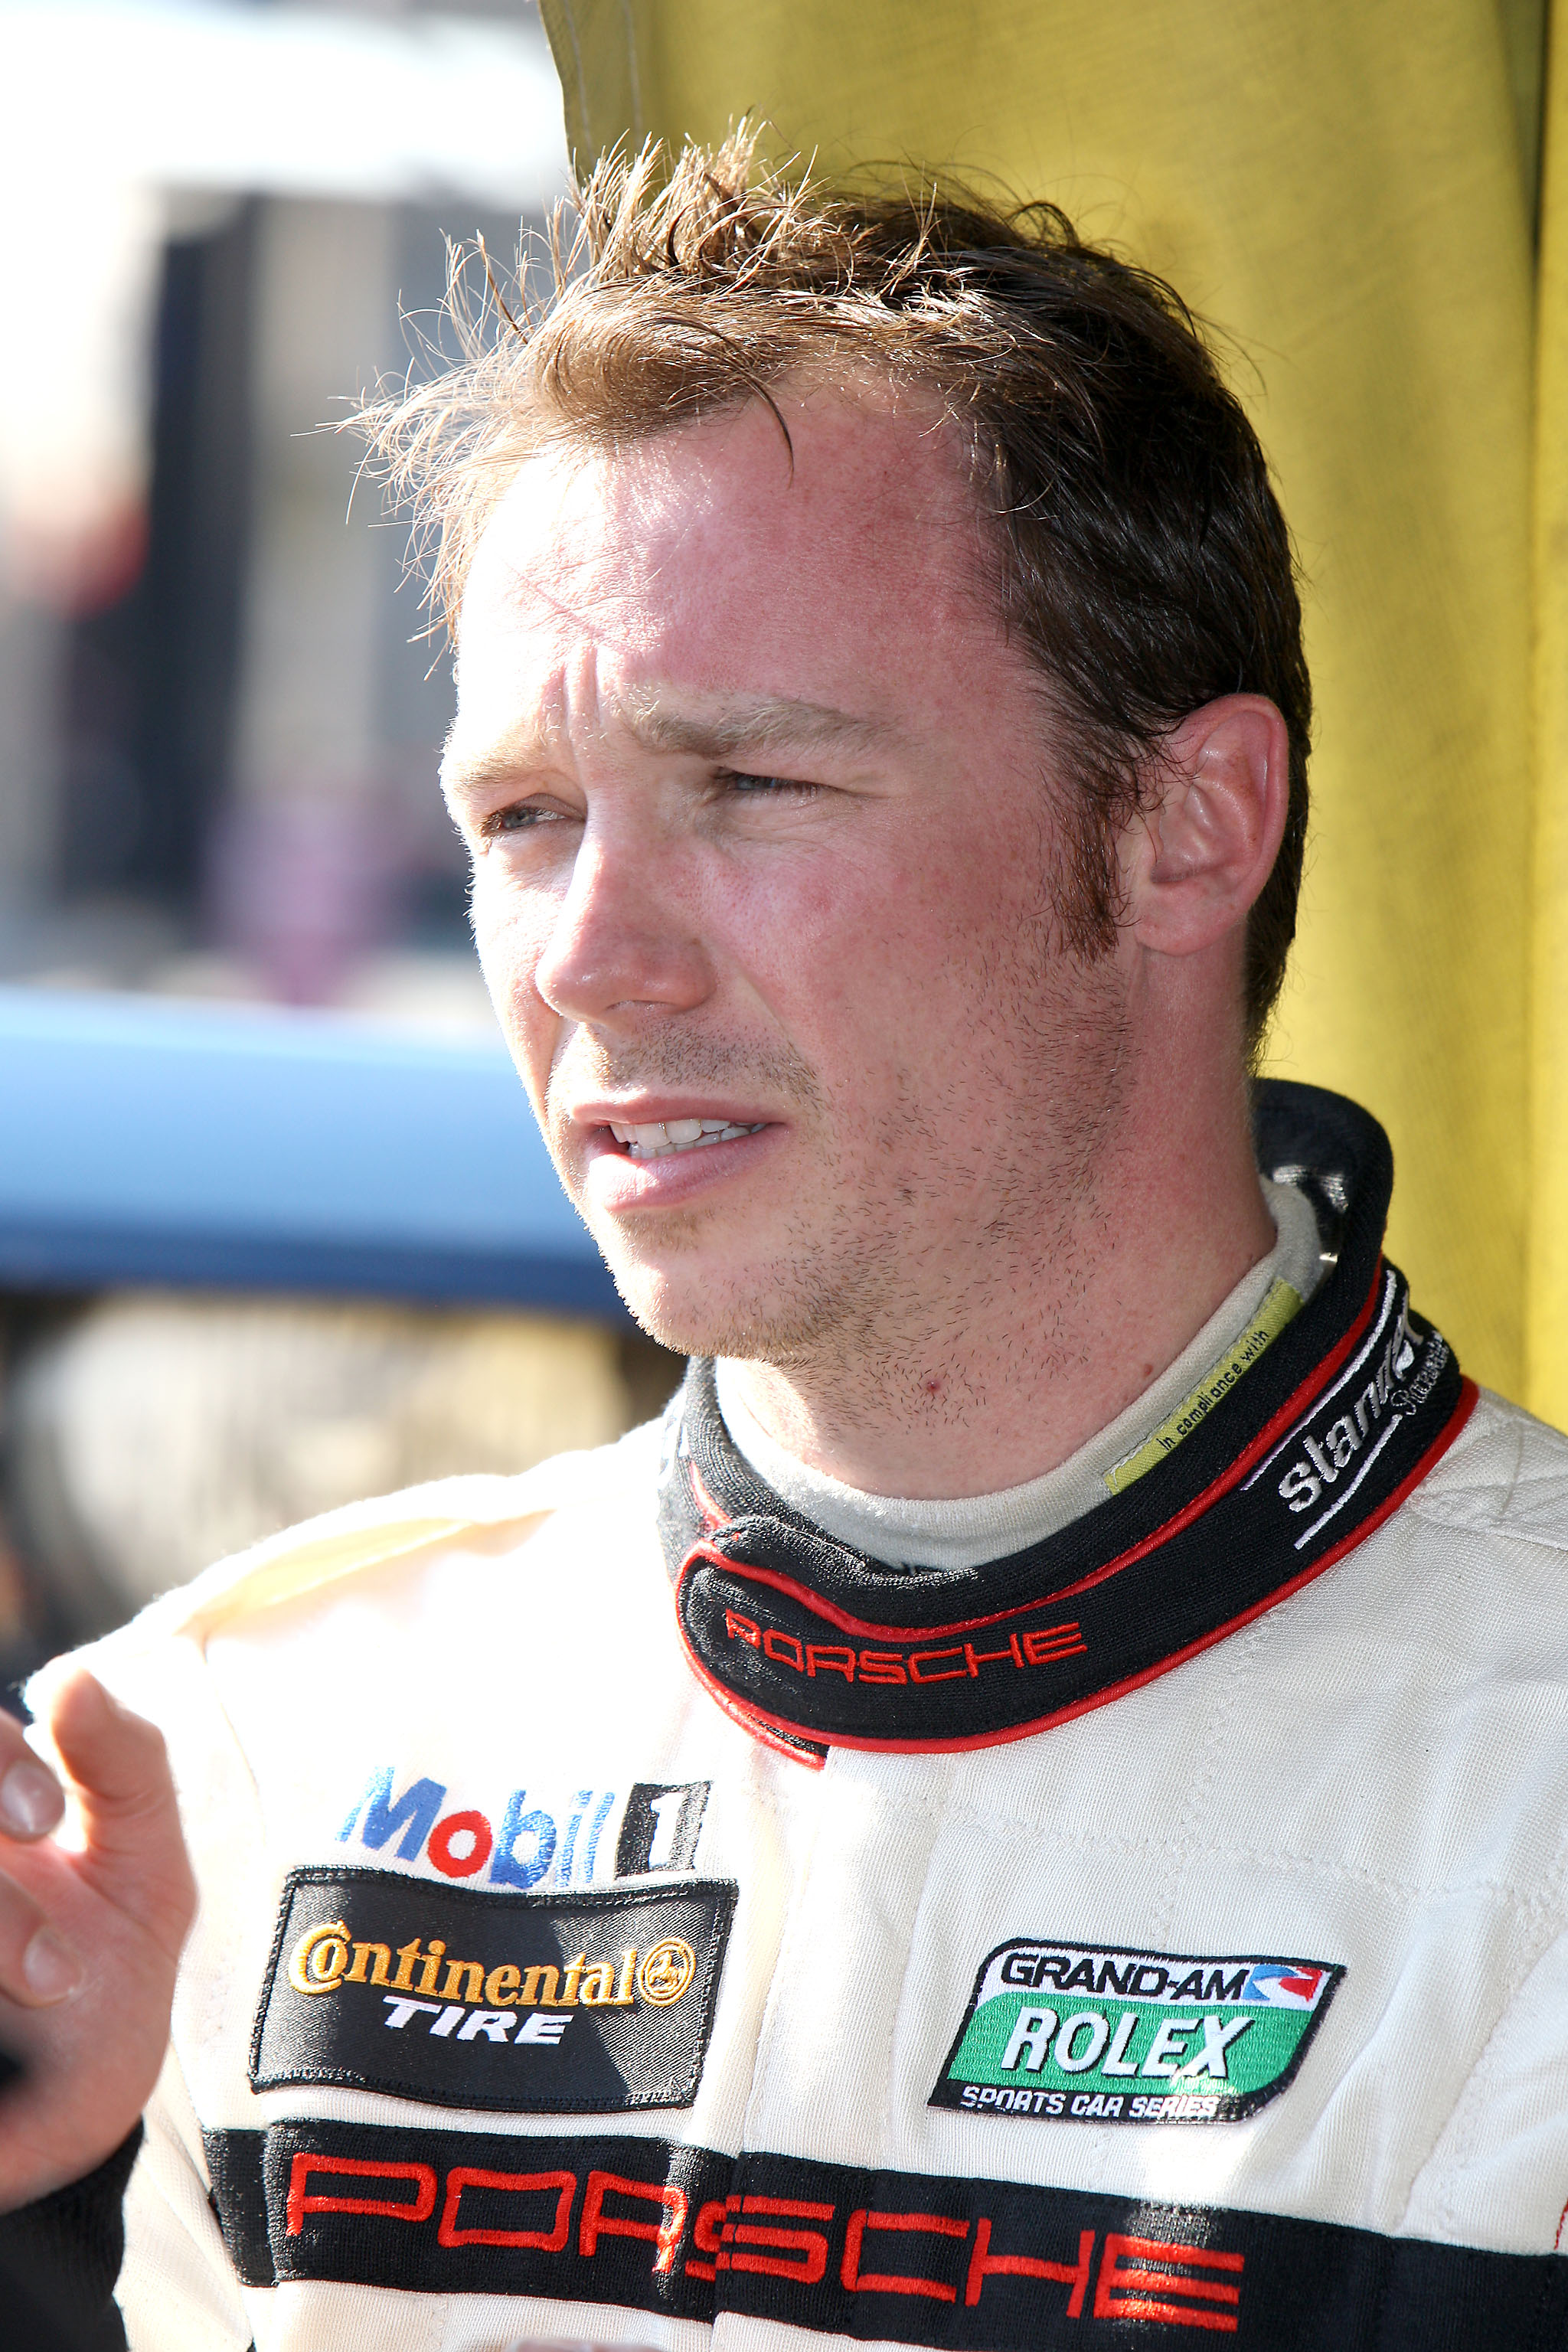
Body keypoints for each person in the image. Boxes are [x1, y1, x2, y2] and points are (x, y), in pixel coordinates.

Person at [2, 129, 1566, 2350]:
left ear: (1186, 826)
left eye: (753, 787)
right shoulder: (227, 1748)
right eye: (523, 819)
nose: (591, 957)